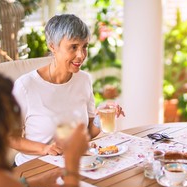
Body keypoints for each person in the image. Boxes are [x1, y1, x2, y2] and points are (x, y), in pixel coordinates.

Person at [10, 14, 124, 166]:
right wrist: (45, 148)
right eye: (73, 47)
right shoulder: (25, 86)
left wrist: (101, 117)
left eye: (85, 46)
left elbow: (88, 132)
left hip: (72, 166)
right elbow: (11, 137)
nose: (81, 55)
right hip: (34, 167)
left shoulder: (84, 80)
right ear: (52, 46)